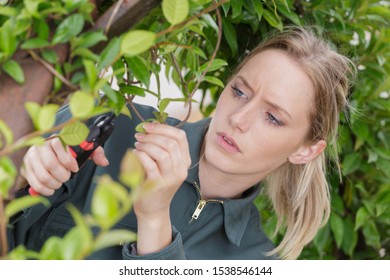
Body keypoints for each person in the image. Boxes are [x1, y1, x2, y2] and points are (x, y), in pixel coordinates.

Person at [7, 26, 354, 260]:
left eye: (273, 117)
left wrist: (155, 218)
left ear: (305, 149)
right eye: (239, 91)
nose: (239, 118)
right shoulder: (114, 125)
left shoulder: (253, 257)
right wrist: (21, 172)